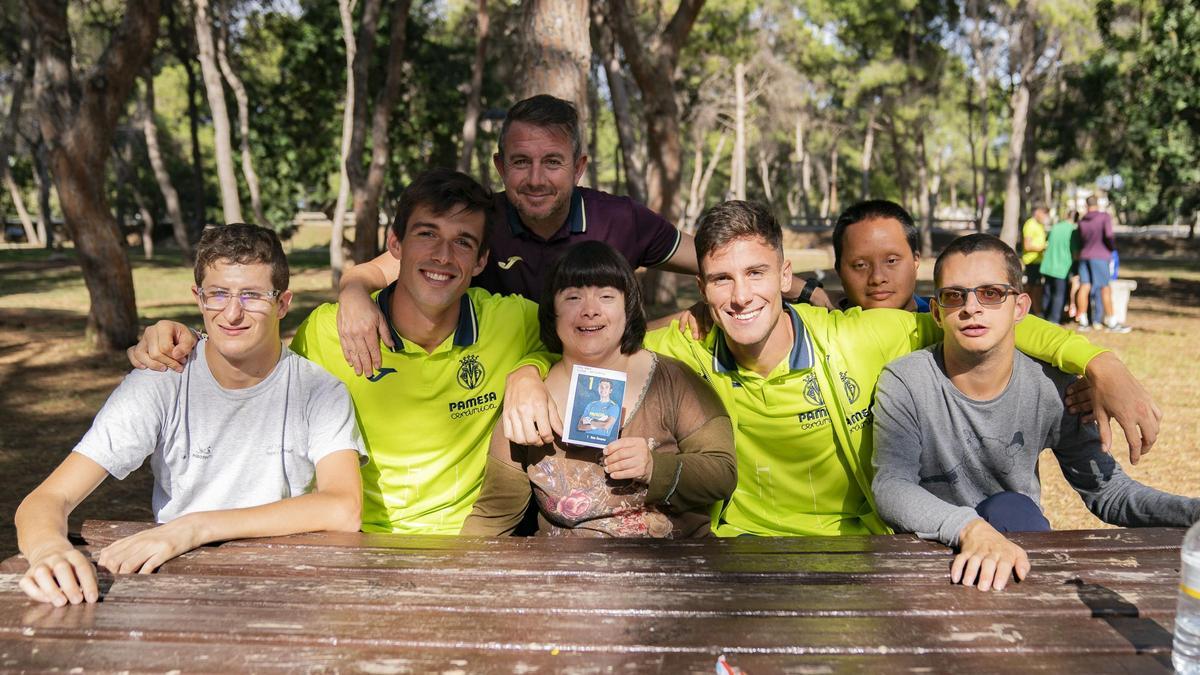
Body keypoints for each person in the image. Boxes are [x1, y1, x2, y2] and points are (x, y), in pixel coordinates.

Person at [618, 201, 1158, 537]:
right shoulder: (685, 349)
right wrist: (527, 376)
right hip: (738, 554)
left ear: (785, 274)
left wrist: (1098, 360)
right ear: (702, 288)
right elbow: (591, 343)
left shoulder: (861, 335)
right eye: (721, 280)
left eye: (755, 273)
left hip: (860, 549)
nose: (740, 297)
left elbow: (982, 321)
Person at [126, 169, 554, 535]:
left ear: (481, 261)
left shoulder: (514, 323)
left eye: (463, 242)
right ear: (395, 245)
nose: (443, 256)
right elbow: (253, 365)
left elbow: (592, 343)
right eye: (427, 235)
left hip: (465, 544)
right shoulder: (329, 331)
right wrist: (182, 337)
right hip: (351, 542)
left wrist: (529, 370)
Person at [334, 94, 831, 377]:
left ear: (578, 167)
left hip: (604, 382)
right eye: (520, 162)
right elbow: (391, 265)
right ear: (499, 166)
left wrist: (802, 288)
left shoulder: (620, 219)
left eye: (552, 162)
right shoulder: (477, 223)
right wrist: (354, 291)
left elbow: (714, 260)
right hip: (501, 388)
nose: (535, 178)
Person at [16, 224, 365, 607]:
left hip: (280, 585)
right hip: (172, 583)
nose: (232, 313)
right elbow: (48, 497)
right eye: (218, 294)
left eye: (252, 295)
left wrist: (195, 526)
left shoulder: (319, 390)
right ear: (199, 299)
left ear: (282, 303)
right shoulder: (162, 380)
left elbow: (343, 508)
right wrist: (49, 550)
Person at [870, 234, 1198, 591]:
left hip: (1015, 551)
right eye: (954, 296)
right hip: (929, 555)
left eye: (991, 293)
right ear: (936, 312)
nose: (972, 307)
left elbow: (1108, 492)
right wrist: (970, 529)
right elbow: (891, 486)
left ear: (1021, 308)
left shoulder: (1053, 388)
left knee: (1013, 509)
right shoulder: (906, 380)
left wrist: (1191, 513)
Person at [462, 241, 736, 538]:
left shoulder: (673, 380)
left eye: (606, 296)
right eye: (573, 297)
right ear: (552, 312)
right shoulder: (528, 402)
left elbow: (722, 473)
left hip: (672, 569)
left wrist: (654, 468)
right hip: (568, 574)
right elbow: (494, 515)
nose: (590, 310)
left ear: (628, 308)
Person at [1075, 196, 1130, 332]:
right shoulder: (1104, 217)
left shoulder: (1082, 221)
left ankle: (1083, 321)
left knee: (1084, 286)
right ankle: (1112, 322)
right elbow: (1109, 236)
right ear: (1097, 204)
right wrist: (1111, 248)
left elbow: (1080, 240)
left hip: (1084, 256)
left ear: (1087, 205)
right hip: (1100, 256)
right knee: (1105, 288)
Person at [1040, 210, 1081, 324]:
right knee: (1059, 294)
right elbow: (1075, 252)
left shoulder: (1056, 227)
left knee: (1047, 292)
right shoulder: (1073, 230)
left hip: (1048, 265)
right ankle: (1054, 319)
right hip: (1062, 267)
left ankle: (1043, 316)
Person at [1020, 206, 1050, 316]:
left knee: (1037, 287)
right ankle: (1025, 310)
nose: (1046, 217)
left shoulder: (1039, 225)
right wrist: (1042, 248)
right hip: (1031, 262)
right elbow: (1027, 246)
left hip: (1038, 262)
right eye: (1044, 214)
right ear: (1037, 212)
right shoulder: (1030, 224)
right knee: (1031, 287)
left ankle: (1036, 311)